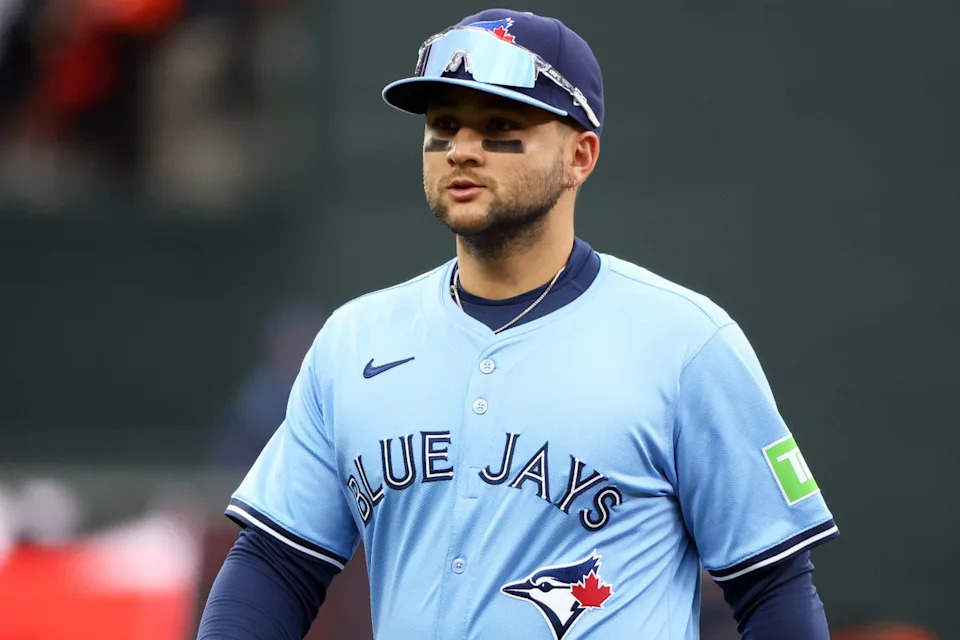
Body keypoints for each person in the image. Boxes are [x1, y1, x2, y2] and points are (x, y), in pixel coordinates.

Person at [198, 9, 838, 639]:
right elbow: (278, 564)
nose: (462, 151)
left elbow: (772, 586)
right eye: (444, 126)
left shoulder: (686, 343)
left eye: (500, 125)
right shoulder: (354, 340)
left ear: (579, 157)